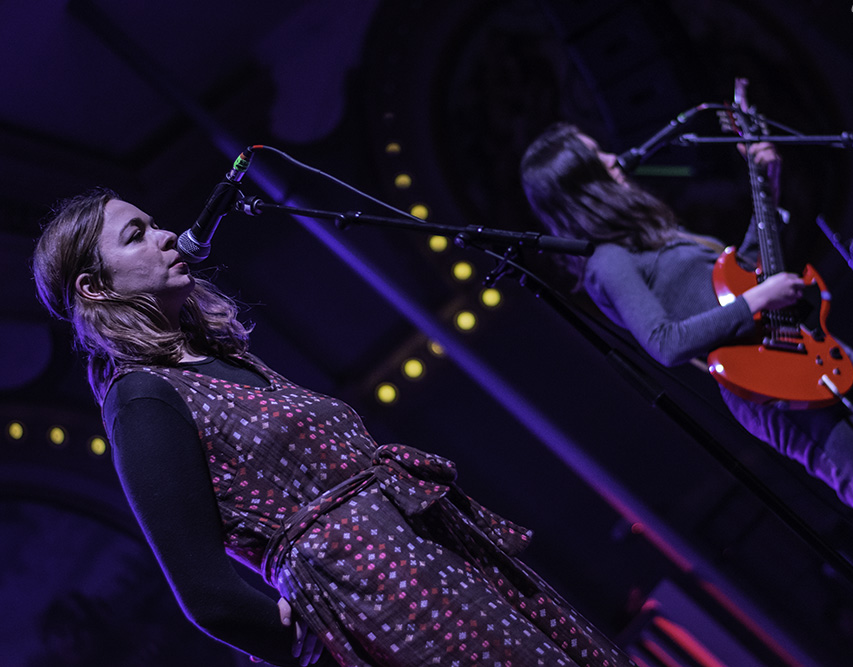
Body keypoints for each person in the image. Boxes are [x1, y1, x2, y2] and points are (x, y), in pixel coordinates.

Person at [31, 187, 637, 667]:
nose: (165, 235)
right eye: (137, 235)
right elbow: (203, 589)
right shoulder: (141, 398)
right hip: (378, 596)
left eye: (153, 222)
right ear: (95, 286)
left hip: (433, 558)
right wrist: (316, 644)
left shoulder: (218, 358)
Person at [519, 122, 853, 666]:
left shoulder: (653, 235)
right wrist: (758, 301)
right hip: (766, 389)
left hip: (808, 348)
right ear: (581, 184)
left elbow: (747, 271)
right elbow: (664, 342)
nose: (612, 156)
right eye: (595, 155)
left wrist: (766, 190)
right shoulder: (608, 261)